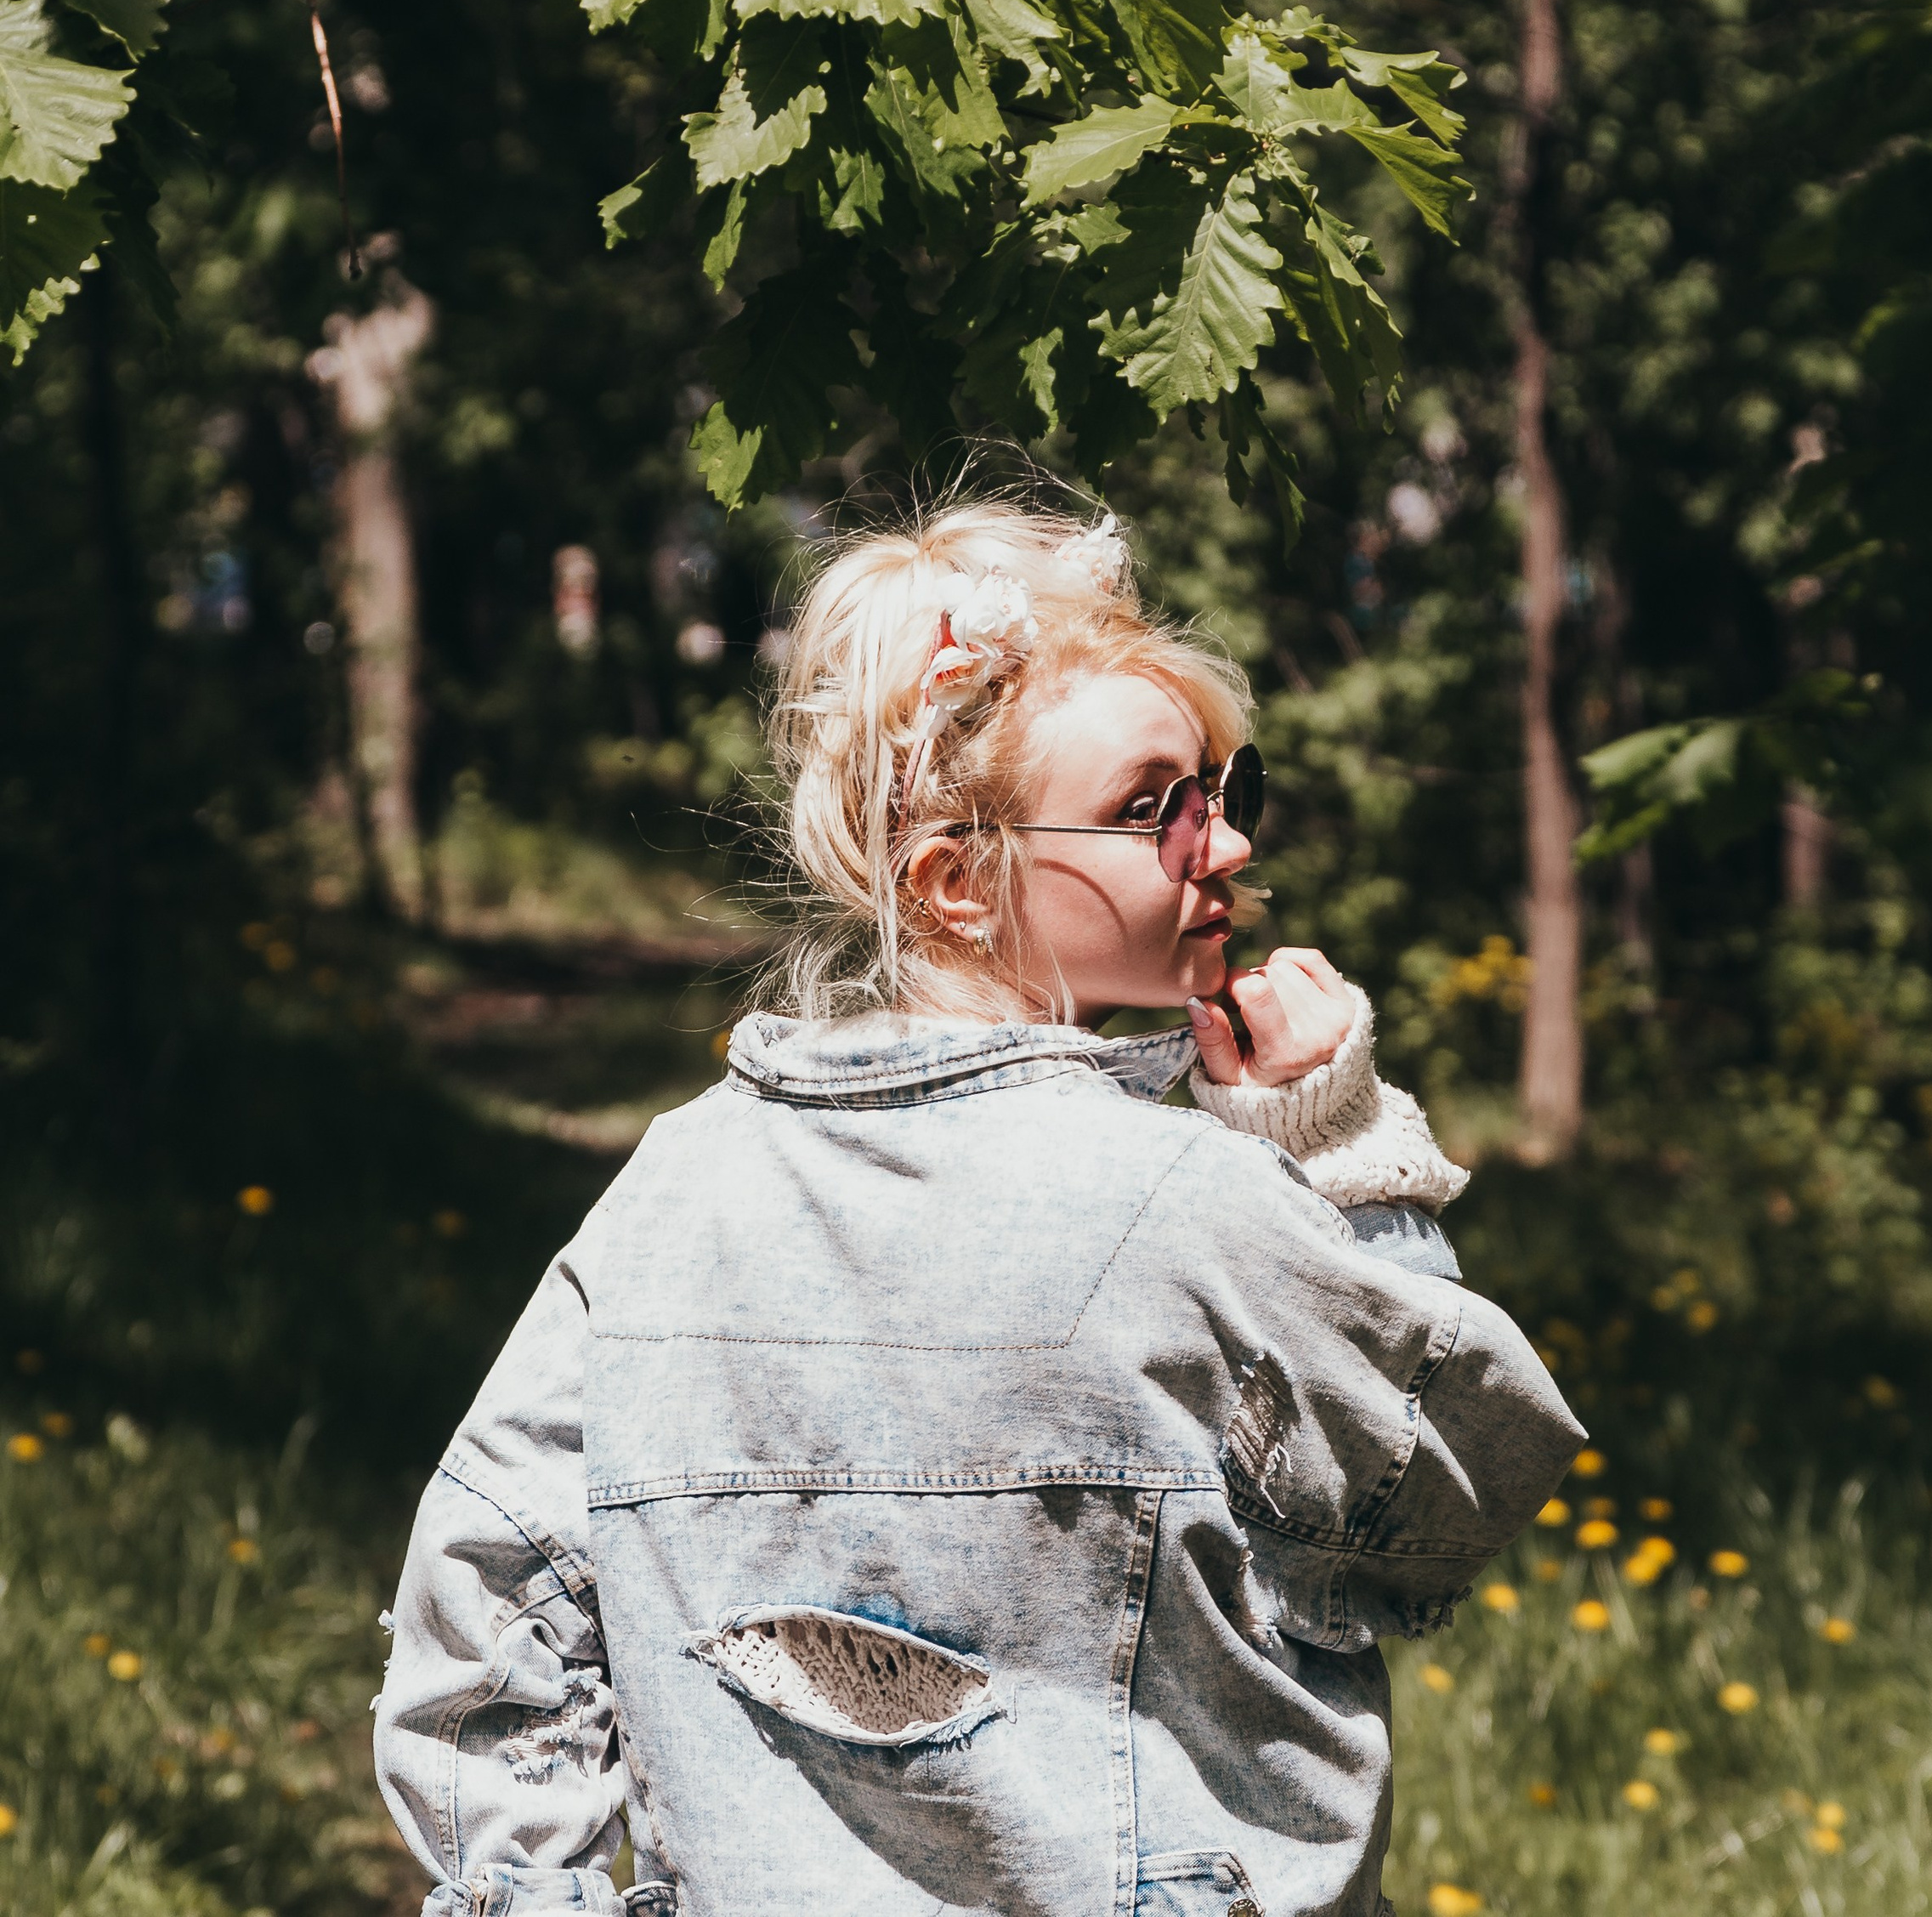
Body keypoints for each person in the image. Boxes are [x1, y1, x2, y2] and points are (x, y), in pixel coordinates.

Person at [373, 497, 1582, 1917]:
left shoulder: (666, 1198)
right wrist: (1344, 1148)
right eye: (1155, 810)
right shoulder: (1188, 1205)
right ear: (955, 881)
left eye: (1224, 791)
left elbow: (482, 1629)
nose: (1228, 847)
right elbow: (1437, 1496)